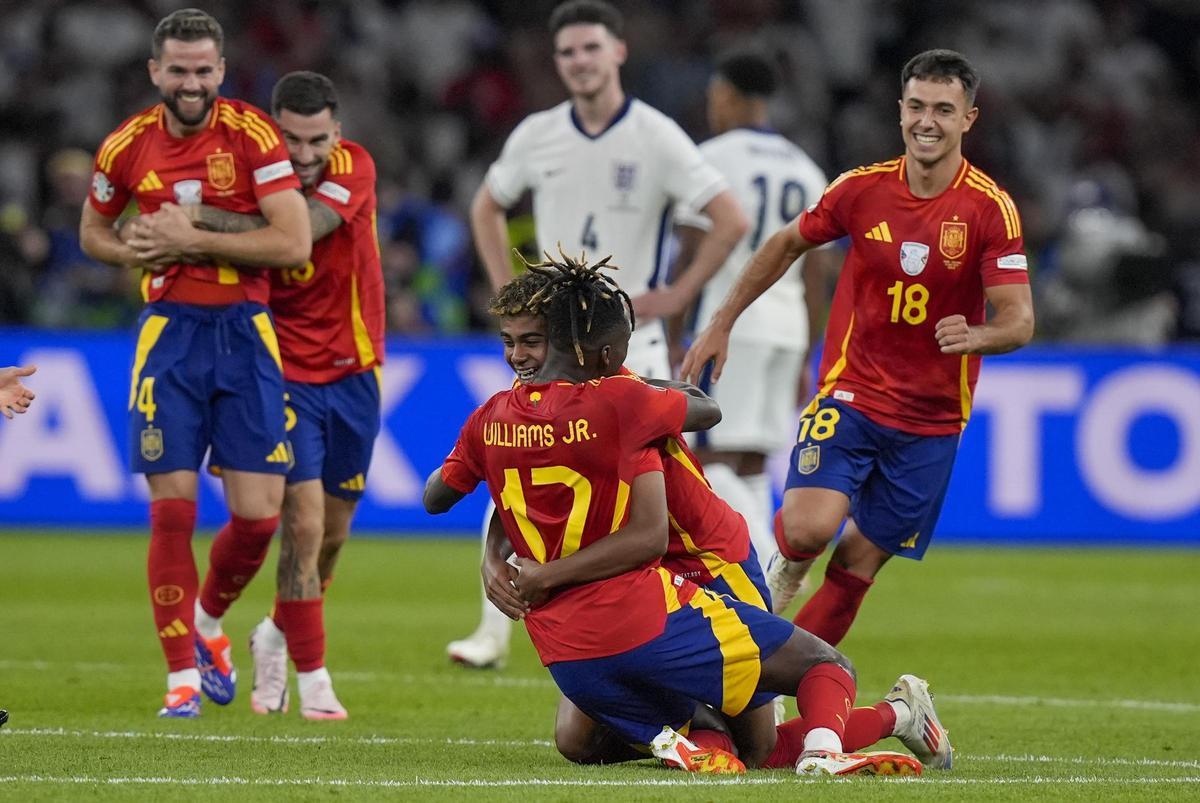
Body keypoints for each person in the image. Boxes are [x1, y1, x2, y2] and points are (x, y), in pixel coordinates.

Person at [425, 253, 941, 777]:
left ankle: (895, 716)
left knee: (758, 748)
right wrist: (494, 557)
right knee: (578, 739)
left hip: (709, 561)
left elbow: (691, 434)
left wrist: (656, 388)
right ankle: (704, 735)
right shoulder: (547, 402)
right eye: (511, 342)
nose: (521, 357)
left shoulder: (621, 396)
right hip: (633, 575)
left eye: (532, 341)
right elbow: (519, 497)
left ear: (573, 345)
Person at [682, 49, 1035, 645]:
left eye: (944, 110)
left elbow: (1019, 321)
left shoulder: (989, 210)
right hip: (852, 393)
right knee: (807, 528)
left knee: (855, 568)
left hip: (932, 420)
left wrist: (977, 335)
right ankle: (786, 569)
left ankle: (774, 682)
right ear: (900, 111)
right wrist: (722, 321)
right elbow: (784, 244)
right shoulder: (860, 190)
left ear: (968, 119)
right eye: (917, 106)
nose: (928, 121)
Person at [450, 0, 749, 670]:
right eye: (567, 53)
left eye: (590, 49)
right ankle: (492, 628)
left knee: (663, 493)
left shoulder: (655, 134)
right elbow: (486, 204)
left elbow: (729, 215)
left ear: (618, 51)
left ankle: (696, 617)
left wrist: (677, 292)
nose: (579, 62)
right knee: (514, 474)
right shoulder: (538, 134)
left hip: (626, 349)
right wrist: (512, 298)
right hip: (552, 351)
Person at [79, 8, 312, 717]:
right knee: (171, 510)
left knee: (258, 517)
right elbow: (94, 229)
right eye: (178, 69)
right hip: (169, 337)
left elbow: (294, 243)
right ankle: (180, 674)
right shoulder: (125, 146)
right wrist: (138, 251)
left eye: (204, 69)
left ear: (221, 69)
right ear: (155, 71)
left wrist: (199, 236)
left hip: (244, 332)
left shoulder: (252, 135)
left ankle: (208, 620)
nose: (192, 81)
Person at [164, 72, 383, 721]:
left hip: (355, 373)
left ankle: (270, 633)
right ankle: (313, 679)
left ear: (336, 133)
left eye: (317, 139)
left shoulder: (354, 165)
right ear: (272, 131)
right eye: (291, 138)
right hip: (277, 372)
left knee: (332, 536)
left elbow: (301, 231)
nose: (306, 153)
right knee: (302, 522)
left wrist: (196, 217)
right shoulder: (250, 176)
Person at [673, 50, 837, 575]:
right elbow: (817, 274)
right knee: (749, 462)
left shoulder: (712, 158)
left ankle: (770, 562)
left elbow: (692, 249)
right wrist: (808, 351)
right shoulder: (806, 168)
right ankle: (759, 575)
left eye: (713, 99)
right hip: (787, 329)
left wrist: (674, 327)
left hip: (730, 326)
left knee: (709, 456)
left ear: (726, 96)